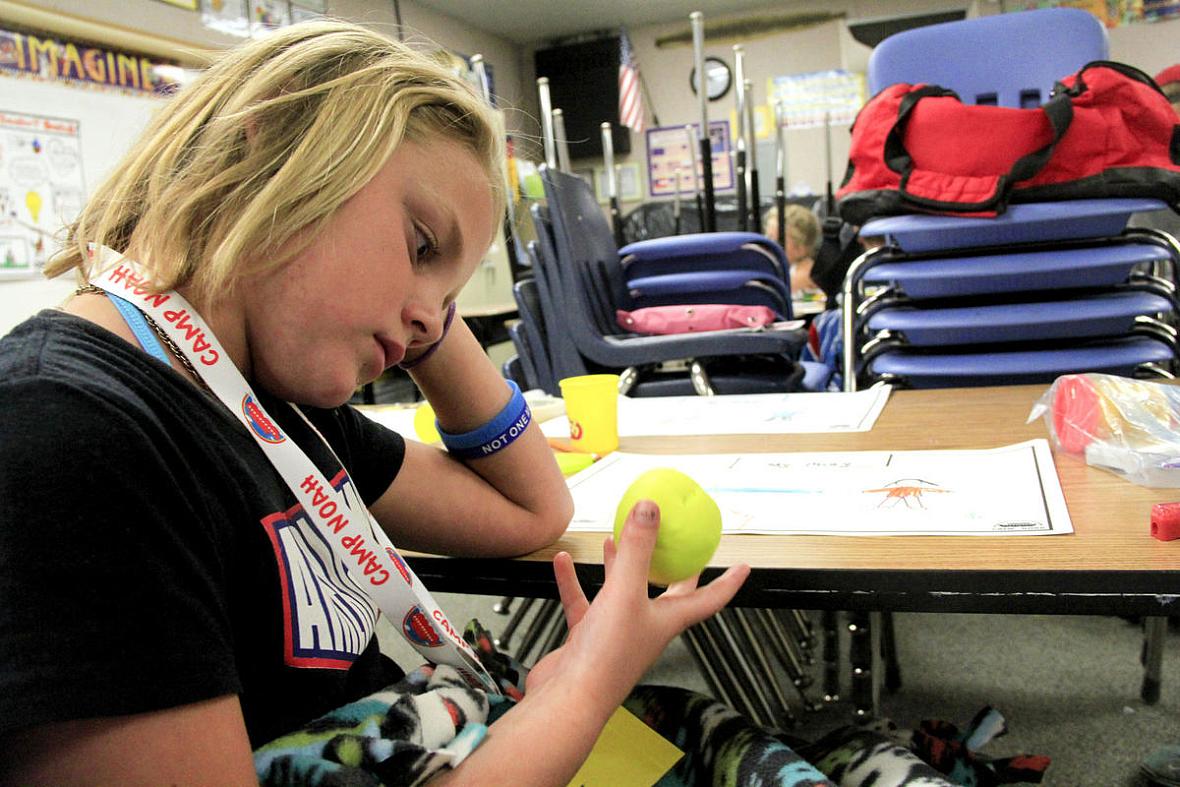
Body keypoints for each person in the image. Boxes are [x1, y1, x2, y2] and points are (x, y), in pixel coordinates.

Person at [0, 21, 749, 784]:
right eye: (422, 244)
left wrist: (422, 304)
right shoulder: (66, 430)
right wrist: (588, 684)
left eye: (452, 297)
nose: (434, 318)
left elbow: (534, 507)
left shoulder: (276, 411)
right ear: (274, 153)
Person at [764, 204, 821, 294]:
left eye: (776, 242)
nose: (768, 246)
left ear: (800, 248)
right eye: (768, 238)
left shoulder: (804, 273)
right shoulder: (788, 270)